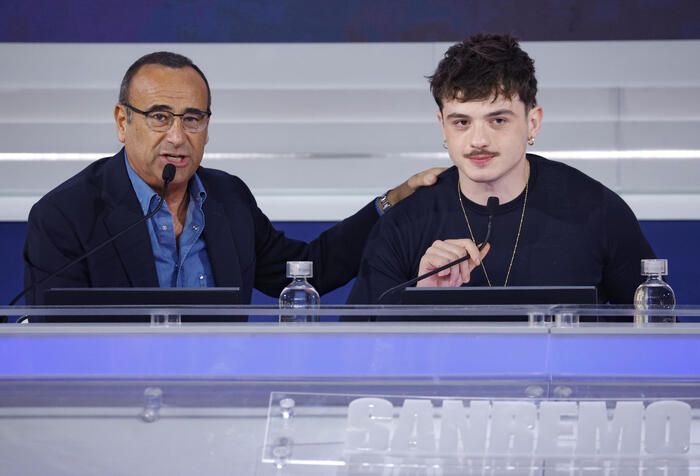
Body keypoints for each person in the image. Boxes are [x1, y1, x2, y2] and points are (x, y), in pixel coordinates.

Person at [22, 51, 441, 305]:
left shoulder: (227, 197)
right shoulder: (66, 215)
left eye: (192, 119)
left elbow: (306, 272)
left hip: (218, 401)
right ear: (122, 121)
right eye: (160, 117)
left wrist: (391, 201)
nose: (177, 136)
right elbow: (57, 341)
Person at [348, 34, 655, 305]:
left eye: (498, 120)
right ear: (442, 126)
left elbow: (655, 332)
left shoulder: (596, 210)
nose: (478, 140)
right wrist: (421, 299)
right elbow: (359, 345)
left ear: (532, 122)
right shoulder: (404, 223)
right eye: (461, 122)